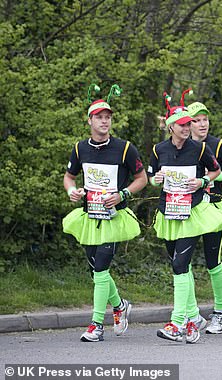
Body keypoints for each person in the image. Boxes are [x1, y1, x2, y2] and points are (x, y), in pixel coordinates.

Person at [63, 83, 147, 342]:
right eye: (99, 117)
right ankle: (120, 306)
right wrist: (72, 191)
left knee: (100, 269)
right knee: (95, 271)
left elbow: (141, 178)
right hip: (89, 216)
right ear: (89, 120)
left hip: (114, 218)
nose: (104, 121)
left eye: (108, 117)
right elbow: (69, 177)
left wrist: (122, 195)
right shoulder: (80, 148)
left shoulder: (124, 148)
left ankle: (96, 324)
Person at [150, 90, 222, 343]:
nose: (187, 127)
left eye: (189, 123)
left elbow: (216, 172)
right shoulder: (159, 149)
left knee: (180, 265)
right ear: (171, 127)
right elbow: (152, 177)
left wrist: (202, 180)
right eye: (183, 124)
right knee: (177, 265)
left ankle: (177, 321)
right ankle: (194, 317)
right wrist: (155, 179)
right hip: (168, 212)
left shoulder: (200, 148)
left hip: (193, 212)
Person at [188, 101, 222, 334]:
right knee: (182, 262)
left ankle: (220, 311)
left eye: (205, 120)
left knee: (212, 261)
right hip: (186, 210)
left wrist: (210, 179)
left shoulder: (219, 145)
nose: (202, 125)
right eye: (196, 120)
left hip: (212, 208)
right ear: (187, 124)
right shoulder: (182, 147)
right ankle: (190, 313)